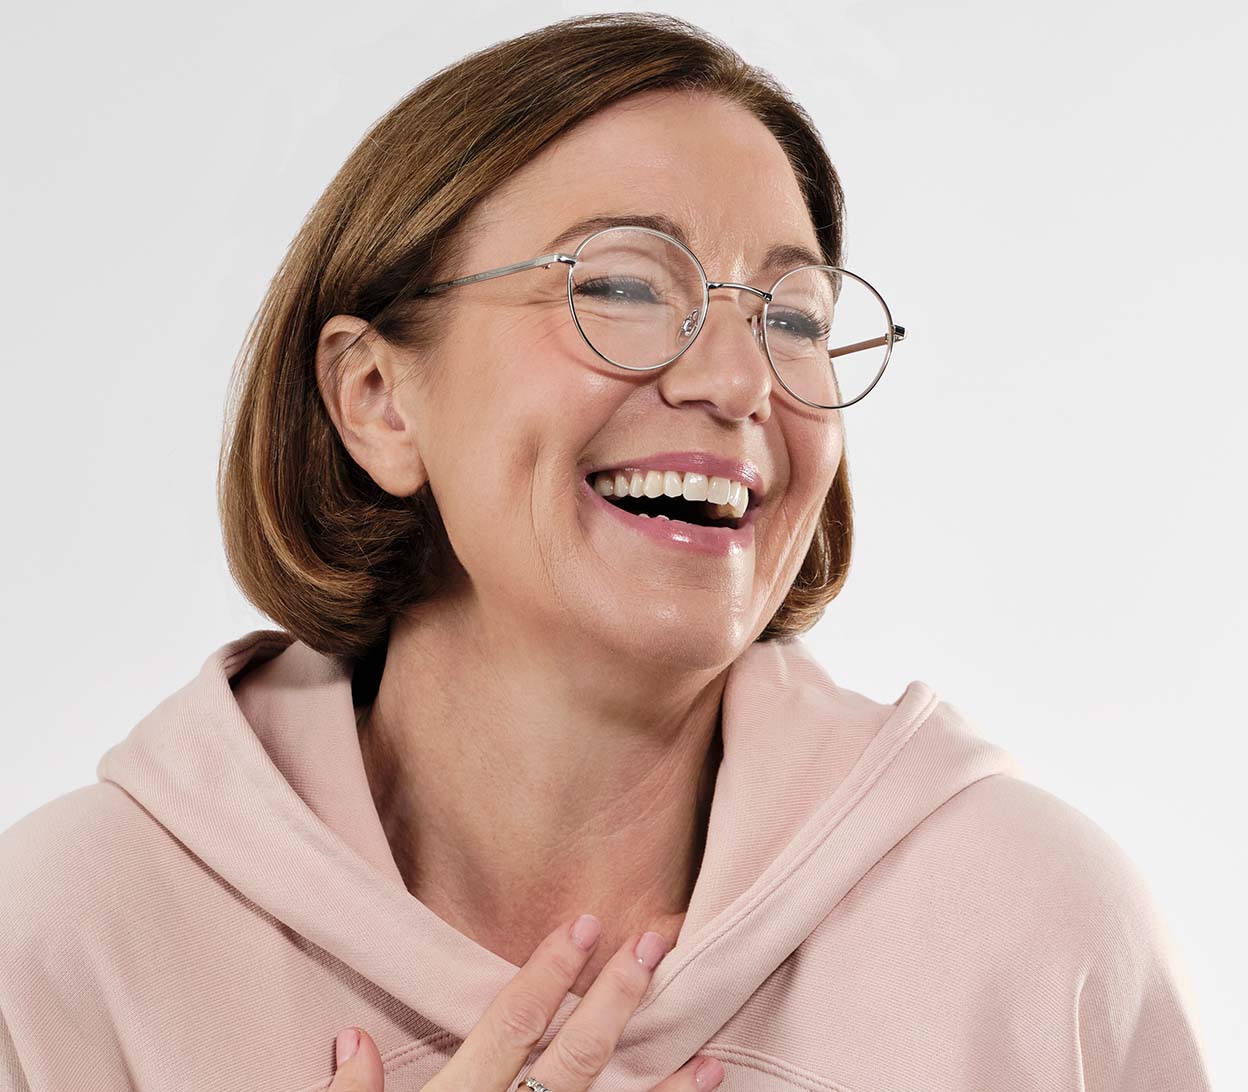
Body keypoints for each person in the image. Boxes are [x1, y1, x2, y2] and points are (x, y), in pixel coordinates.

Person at [0, 12, 1213, 1092]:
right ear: (376, 396)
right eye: (626, 288)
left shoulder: (1041, 934)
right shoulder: (66, 948)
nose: (740, 381)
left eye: (793, 317)